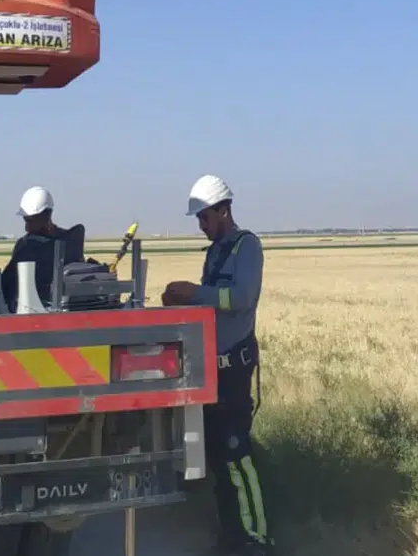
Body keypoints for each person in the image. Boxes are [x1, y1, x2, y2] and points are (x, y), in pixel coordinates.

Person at [161, 174, 273, 555]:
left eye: (205, 218)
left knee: (237, 455)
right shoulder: (214, 253)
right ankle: (231, 534)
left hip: (234, 368)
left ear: (224, 211)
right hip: (210, 367)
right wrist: (183, 302)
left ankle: (256, 537)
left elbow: (241, 297)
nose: (202, 226)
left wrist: (196, 293)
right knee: (219, 461)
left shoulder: (247, 247)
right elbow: (209, 303)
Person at [0, 186, 85, 312]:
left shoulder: (67, 242)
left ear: (45, 216)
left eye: (31, 221)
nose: (26, 228)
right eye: (25, 221)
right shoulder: (69, 240)